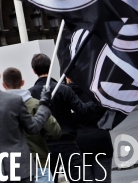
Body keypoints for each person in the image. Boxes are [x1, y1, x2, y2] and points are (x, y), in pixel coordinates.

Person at [29, 54, 96, 183]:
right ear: (50, 67)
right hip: (67, 144)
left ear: (34, 70)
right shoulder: (64, 90)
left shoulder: (31, 93)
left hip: (44, 147)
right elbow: (83, 110)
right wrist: (98, 100)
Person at [3, 67, 62, 183]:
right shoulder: (36, 105)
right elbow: (56, 132)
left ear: (4, 85)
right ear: (22, 82)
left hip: (12, 166)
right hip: (39, 163)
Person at [68, 77, 113, 183]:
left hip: (79, 146)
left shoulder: (65, 96)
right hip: (101, 142)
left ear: (68, 79)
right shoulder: (96, 93)